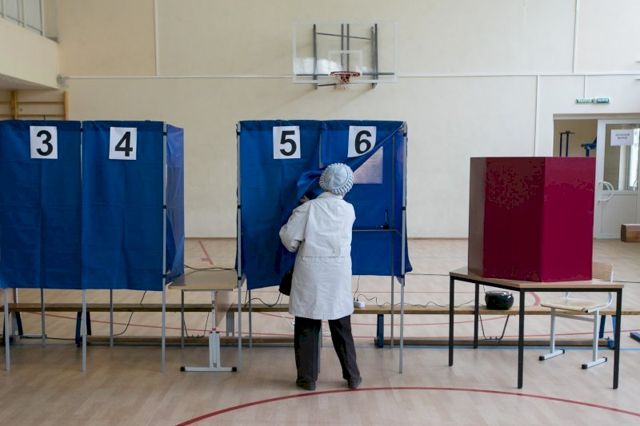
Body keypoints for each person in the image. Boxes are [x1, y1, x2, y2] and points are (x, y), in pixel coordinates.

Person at [279, 163, 362, 391]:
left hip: (311, 275)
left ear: (323, 180)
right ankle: (353, 376)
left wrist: (304, 209)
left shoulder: (307, 209)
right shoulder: (349, 210)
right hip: (338, 275)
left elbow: (290, 240)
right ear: (347, 186)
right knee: (341, 326)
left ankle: (307, 379)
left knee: (307, 325)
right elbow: (328, 213)